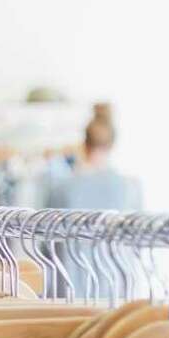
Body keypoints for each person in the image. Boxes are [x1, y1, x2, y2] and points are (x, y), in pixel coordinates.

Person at [47, 102, 141, 295]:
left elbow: (46, 245)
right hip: (116, 290)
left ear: (84, 144)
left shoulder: (63, 187)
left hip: (72, 289)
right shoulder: (130, 188)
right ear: (113, 143)